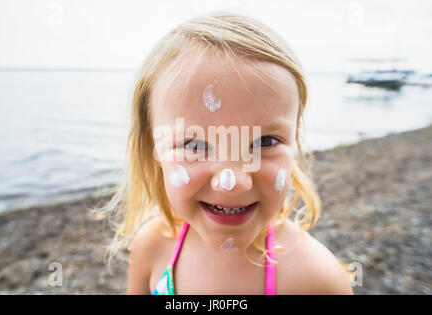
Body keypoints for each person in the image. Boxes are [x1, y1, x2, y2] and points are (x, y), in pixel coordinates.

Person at [98, 12, 353, 295]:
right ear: (153, 148)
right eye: (194, 145)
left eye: (265, 141)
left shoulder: (314, 278)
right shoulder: (153, 246)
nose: (232, 182)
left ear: (295, 143)